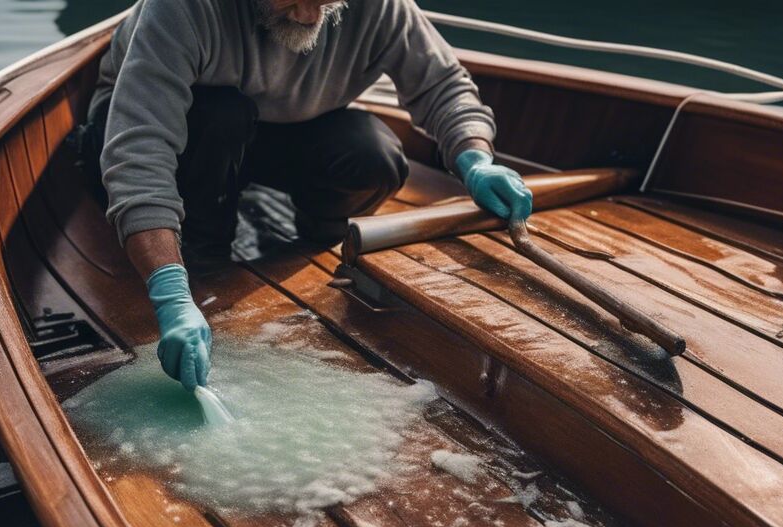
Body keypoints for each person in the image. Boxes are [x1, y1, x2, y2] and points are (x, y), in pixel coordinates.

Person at [77, 0, 532, 392]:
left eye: (326, 0)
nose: (309, 14)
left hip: (271, 130)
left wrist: (475, 158)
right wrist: (169, 295)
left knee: (373, 153)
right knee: (222, 116)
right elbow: (141, 155)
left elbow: (441, 84)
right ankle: (199, 263)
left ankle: (317, 241)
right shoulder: (183, 8)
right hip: (169, 130)